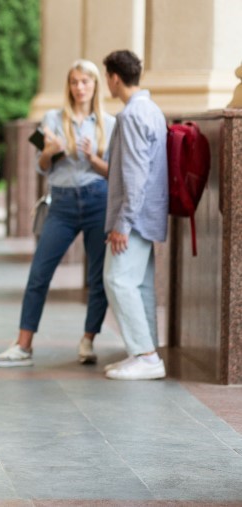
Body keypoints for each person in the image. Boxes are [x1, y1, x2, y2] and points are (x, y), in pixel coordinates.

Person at [0, 60, 115, 368]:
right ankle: (23, 345)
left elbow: (114, 173)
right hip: (62, 203)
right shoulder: (51, 119)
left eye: (85, 81)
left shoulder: (109, 124)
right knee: (39, 274)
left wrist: (92, 158)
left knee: (96, 275)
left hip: (98, 200)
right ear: (69, 86)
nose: (79, 87)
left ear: (95, 85)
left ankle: (88, 340)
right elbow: (40, 166)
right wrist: (49, 150)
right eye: (74, 81)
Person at [100, 50, 168, 381]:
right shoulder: (152, 110)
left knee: (117, 280)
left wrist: (121, 224)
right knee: (139, 285)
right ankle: (144, 352)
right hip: (149, 214)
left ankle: (146, 355)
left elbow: (135, 176)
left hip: (134, 218)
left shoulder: (130, 116)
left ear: (114, 77)